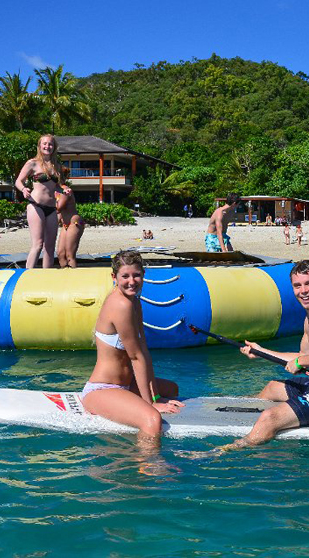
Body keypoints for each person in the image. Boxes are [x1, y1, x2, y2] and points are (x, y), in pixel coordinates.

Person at [220, 260, 309, 450]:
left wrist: (300, 361)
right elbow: (303, 356)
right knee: (272, 387)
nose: (304, 290)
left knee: (270, 418)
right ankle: (234, 409)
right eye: (298, 285)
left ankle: (226, 451)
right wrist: (262, 352)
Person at [81, 250, 184, 444]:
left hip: (127, 385)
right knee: (152, 420)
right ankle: (148, 467)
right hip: (103, 389)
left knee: (171, 389)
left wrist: (157, 395)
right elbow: (135, 357)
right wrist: (151, 404)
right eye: (125, 276)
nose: (132, 281)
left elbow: (143, 350)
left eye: (136, 275)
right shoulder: (120, 304)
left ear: (143, 274)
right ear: (114, 277)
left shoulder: (134, 301)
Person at [14, 134, 71, 269]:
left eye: (50, 144)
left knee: (50, 247)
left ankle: (46, 277)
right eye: (44, 144)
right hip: (36, 205)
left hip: (52, 209)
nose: (47, 146)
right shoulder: (32, 163)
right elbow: (18, 181)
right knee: (38, 244)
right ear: (40, 146)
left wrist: (64, 190)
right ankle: (26, 275)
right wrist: (23, 189)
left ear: (54, 147)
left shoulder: (56, 165)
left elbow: (56, 186)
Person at [56, 188, 84, 268]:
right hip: (65, 224)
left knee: (70, 255)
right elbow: (59, 214)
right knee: (61, 254)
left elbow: (58, 208)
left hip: (74, 223)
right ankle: (65, 276)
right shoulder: (55, 192)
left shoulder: (66, 191)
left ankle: (73, 277)